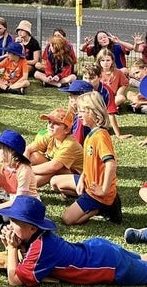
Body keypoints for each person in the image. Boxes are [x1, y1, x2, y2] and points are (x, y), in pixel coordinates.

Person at [0, 196, 147, 287]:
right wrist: (12, 247)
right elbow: (25, 259)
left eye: (15, 222)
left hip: (109, 264)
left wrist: (12, 248)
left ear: (33, 229)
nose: (10, 226)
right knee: (140, 258)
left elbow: (14, 280)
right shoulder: (39, 238)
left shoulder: (41, 248)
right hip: (99, 249)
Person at [50, 91, 122, 225]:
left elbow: (110, 164)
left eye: (82, 111)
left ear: (94, 112)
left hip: (97, 192)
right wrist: (83, 177)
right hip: (89, 184)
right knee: (55, 183)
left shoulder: (100, 136)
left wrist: (104, 190)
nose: (79, 114)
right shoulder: (90, 134)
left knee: (67, 219)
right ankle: (100, 202)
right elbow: (89, 163)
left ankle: (101, 208)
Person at [0, 129, 37, 223]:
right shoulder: (1, 166)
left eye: (0, 148)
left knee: (10, 216)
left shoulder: (24, 170)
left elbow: (19, 200)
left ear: (11, 152)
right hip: (11, 200)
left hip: (27, 204)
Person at [24, 107, 84, 188]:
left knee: (53, 170)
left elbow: (53, 166)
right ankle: (21, 184)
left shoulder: (70, 144)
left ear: (67, 129)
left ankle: (24, 187)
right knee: (33, 155)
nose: (50, 126)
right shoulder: (50, 135)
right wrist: (23, 166)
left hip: (77, 177)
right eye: (49, 122)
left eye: (56, 123)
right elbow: (28, 149)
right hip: (59, 169)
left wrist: (29, 169)